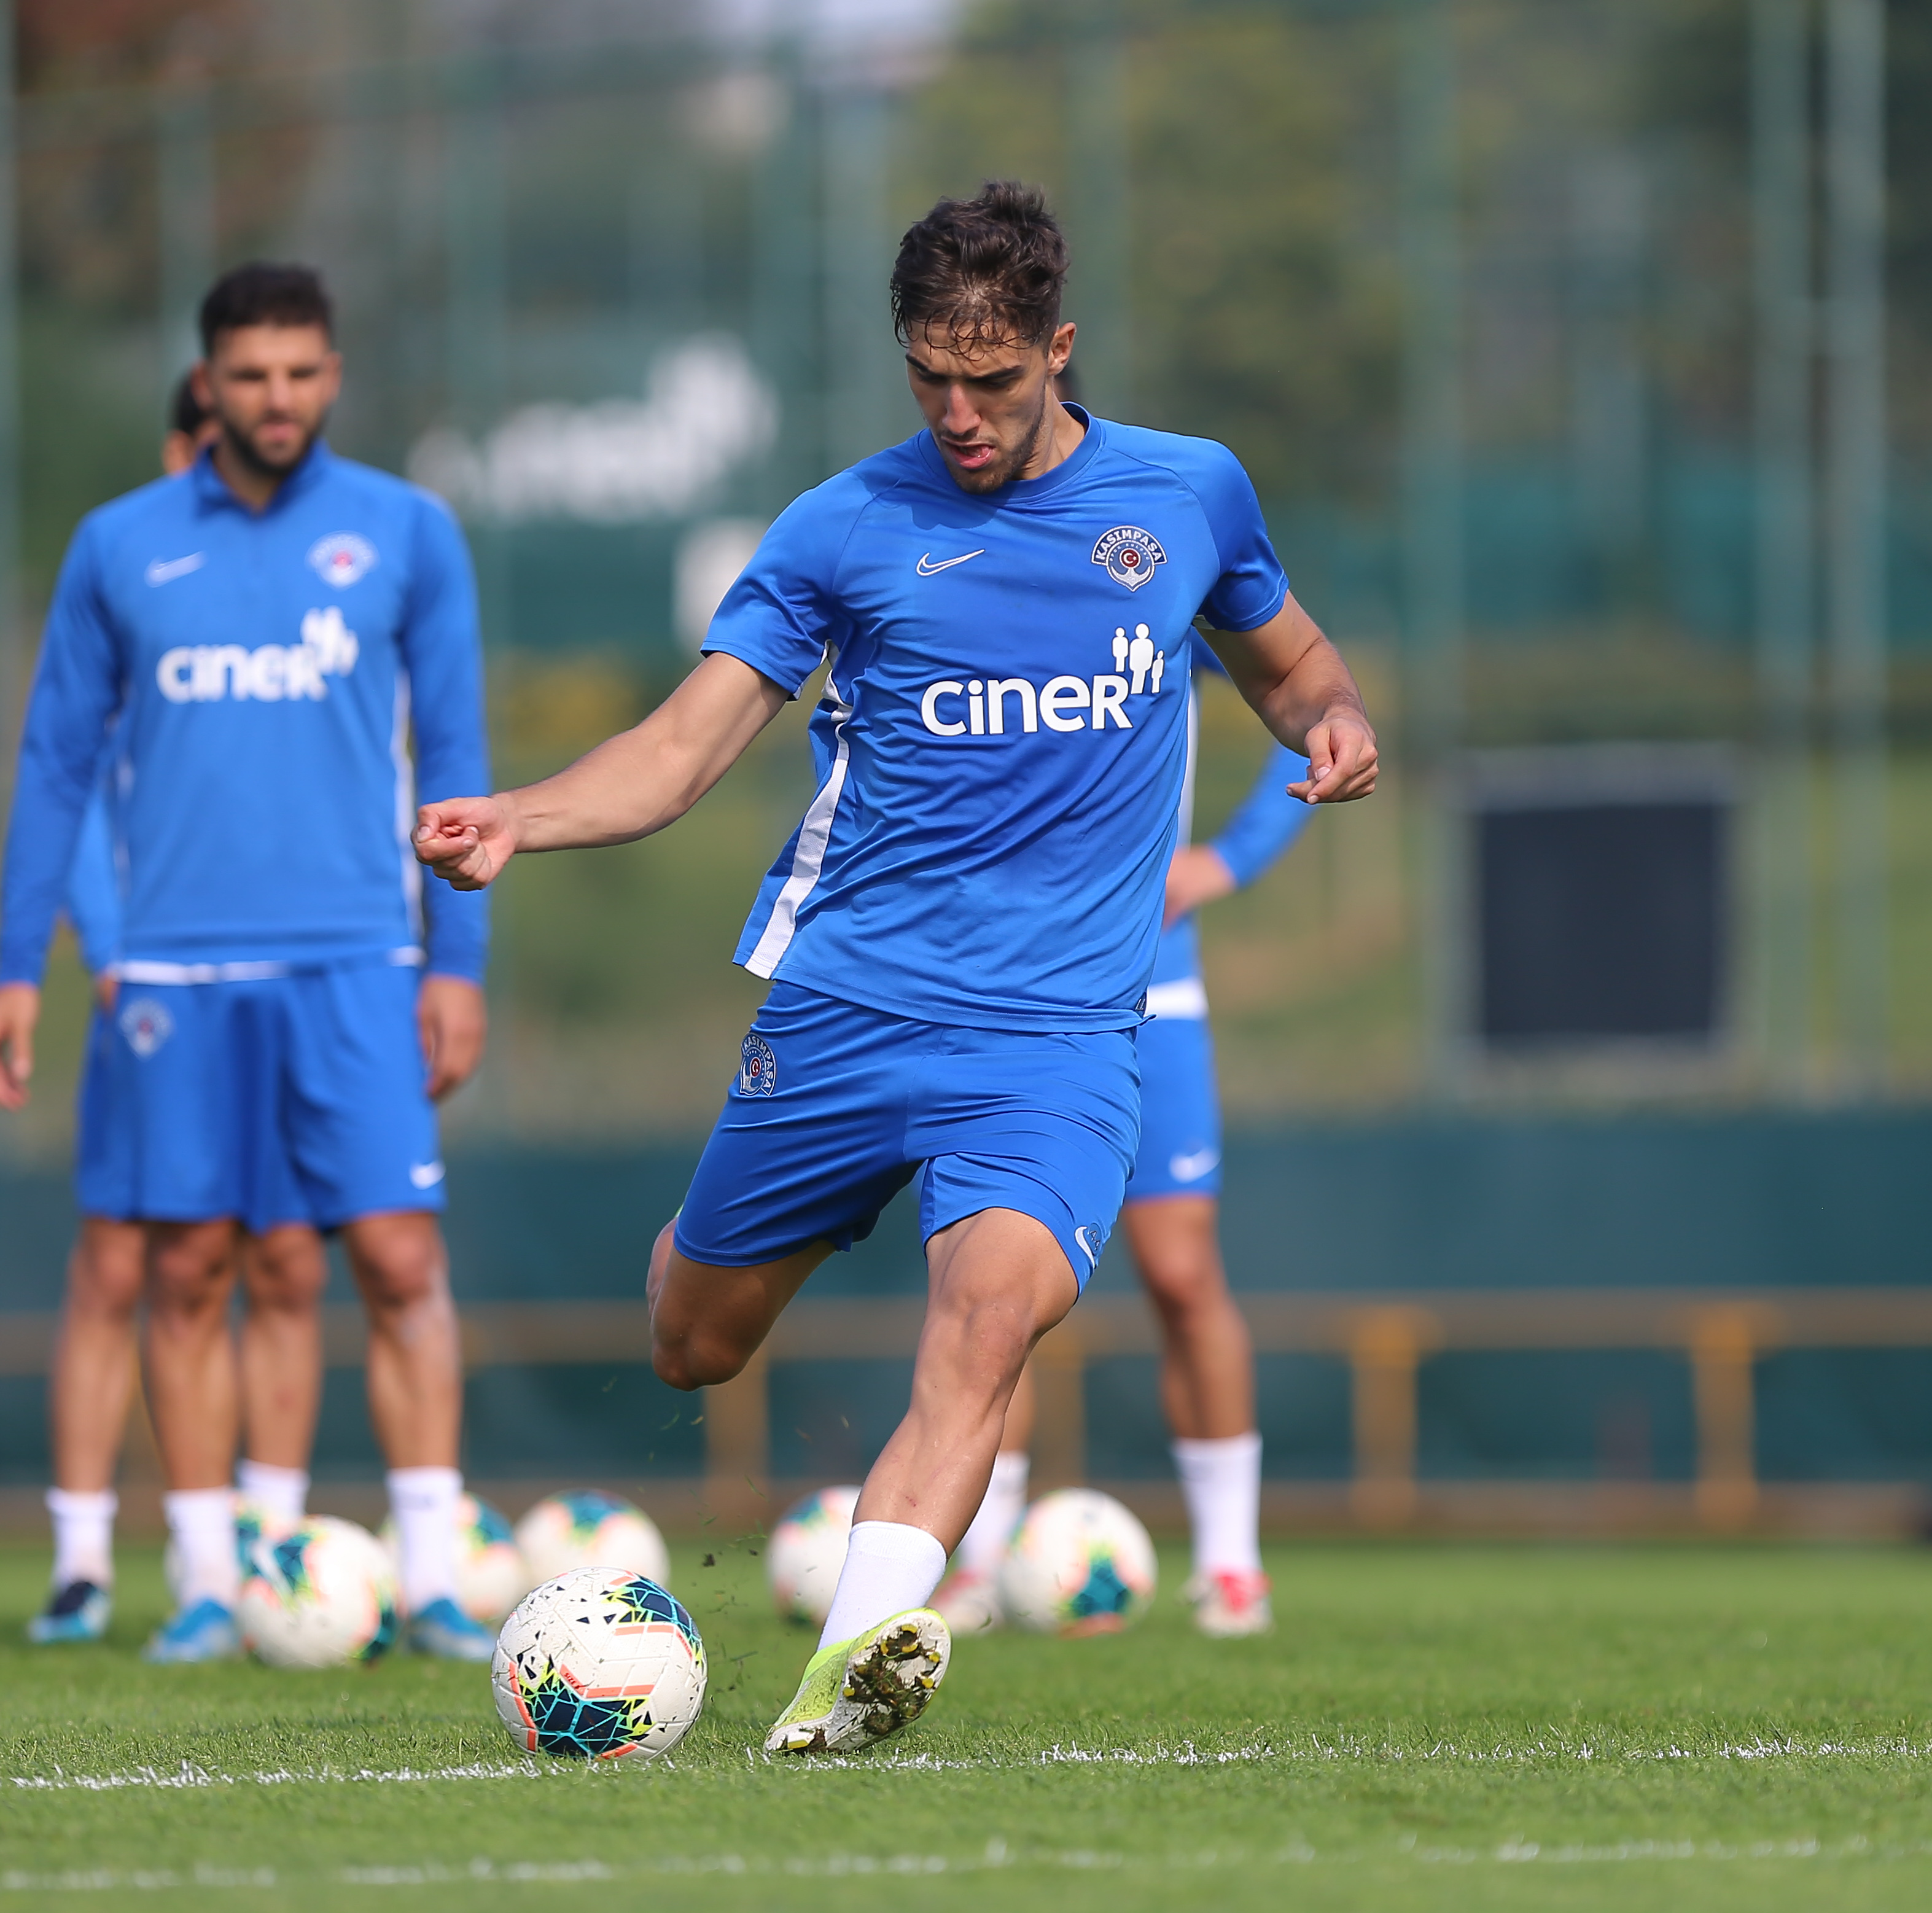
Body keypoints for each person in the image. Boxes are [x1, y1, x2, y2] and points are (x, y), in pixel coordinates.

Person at [413, 182, 1377, 1751]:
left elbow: (1292, 662)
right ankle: (708, 1255)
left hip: (1057, 1036)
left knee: (986, 1320)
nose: (957, 413)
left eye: (989, 378)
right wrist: (522, 816)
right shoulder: (843, 526)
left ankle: (844, 1677)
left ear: (1057, 348)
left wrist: (1331, 721)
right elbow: (682, 750)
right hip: (848, 1008)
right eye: (929, 376)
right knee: (692, 1345)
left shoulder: (1188, 495)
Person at [0, 263, 495, 1663]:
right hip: (175, 976)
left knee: (399, 1257)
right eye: (250, 374)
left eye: (300, 371)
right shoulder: (118, 545)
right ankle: (210, 1580)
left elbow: (457, 755)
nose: (277, 397)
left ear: (332, 375)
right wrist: (20, 962)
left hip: (359, 961)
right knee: (186, 1271)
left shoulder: (408, 531)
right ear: (207, 383)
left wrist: (456, 960)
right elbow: (55, 763)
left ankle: (434, 1574)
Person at [27, 378, 332, 1646]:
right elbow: (75, 783)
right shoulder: (130, 586)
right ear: (179, 449)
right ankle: (83, 1557)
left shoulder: (314, 586)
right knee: (120, 1264)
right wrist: (109, 947)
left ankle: (268, 1548)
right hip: (159, 988)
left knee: (287, 1259)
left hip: (292, 988)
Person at [936, 727, 1312, 1639]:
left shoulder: (1169, 620)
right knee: (990, 1284)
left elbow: (1314, 706)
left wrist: (1232, 857)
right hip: (1003, 990)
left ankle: (1230, 1565)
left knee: (1182, 1276)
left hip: (1152, 983)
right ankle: (978, 1562)